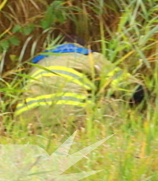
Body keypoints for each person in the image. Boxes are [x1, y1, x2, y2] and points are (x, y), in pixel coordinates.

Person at [15, 34, 145, 128]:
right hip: (73, 122)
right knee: (116, 98)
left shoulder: (38, 64)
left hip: (29, 125)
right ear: (82, 46)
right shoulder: (88, 56)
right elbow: (131, 87)